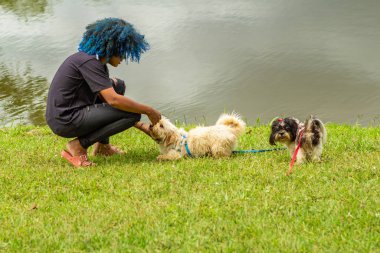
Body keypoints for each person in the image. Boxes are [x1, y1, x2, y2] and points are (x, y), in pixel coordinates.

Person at [45, 17, 161, 167]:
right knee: (132, 114)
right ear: (112, 47)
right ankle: (78, 146)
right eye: (123, 52)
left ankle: (103, 147)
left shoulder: (95, 62)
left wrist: (143, 126)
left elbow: (111, 96)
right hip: (65, 119)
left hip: (71, 113)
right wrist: (149, 111)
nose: (124, 58)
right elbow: (113, 100)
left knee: (118, 85)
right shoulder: (89, 62)